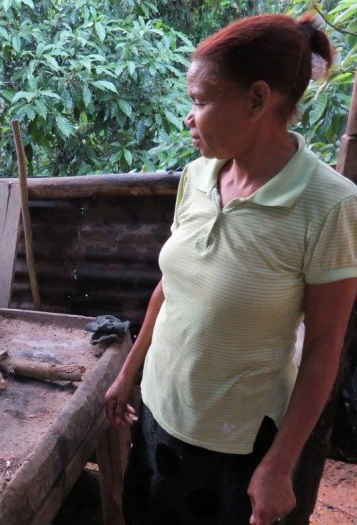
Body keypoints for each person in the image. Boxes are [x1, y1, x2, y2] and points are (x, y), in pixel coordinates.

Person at [105, 12, 357, 525]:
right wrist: (129, 371)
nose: (189, 118)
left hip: (234, 442)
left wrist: (279, 465)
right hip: (158, 411)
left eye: (200, 101)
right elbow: (170, 287)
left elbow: (323, 351)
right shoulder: (196, 177)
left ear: (257, 100)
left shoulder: (329, 205)